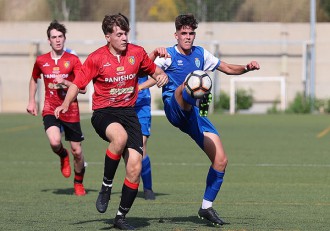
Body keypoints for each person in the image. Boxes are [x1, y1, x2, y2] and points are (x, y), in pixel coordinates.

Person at [54, 13, 168, 230]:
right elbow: (77, 84)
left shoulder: (137, 53)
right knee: (120, 137)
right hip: (104, 113)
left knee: (135, 166)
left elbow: (156, 71)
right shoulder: (96, 58)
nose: (124, 38)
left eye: (126, 33)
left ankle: (120, 217)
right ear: (108, 37)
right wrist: (66, 104)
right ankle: (106, 186)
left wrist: (161, 75)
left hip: (128, 113)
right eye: (119, 34)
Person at [147, 14, 260, 227]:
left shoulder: (201, 54)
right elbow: (143, 66)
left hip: (195, 116)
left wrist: (246, 67)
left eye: (191, 33)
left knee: (221, 160)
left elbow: (226, 67)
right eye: (184, 33)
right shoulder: (168, 55)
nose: (188, 37)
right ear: (176, 35)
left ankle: (206, 207)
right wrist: (153, 56)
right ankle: (193, 92)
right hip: (175, 108)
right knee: (187, 84)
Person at [26, 20, 87, 196]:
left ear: (65, 38)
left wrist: (66, 82)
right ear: (49, 40)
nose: (58, 40)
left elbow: (82, 88)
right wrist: (31, 101)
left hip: (71, 110)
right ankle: (62, 155)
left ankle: (78, 182)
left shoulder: (73, 60)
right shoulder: (41, 60)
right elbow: (33, 79)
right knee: (54, 141)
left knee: (77, 151)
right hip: (50, 107)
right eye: (54, 37)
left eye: (60, 36)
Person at [135, 76, 155, 200]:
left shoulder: (143, 57)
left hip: (141, 106)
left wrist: (140, 87)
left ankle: (148, 188)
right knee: (126, 149)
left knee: (141, 147)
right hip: (122, 105)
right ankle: (131, 185)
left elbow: (158, 75)